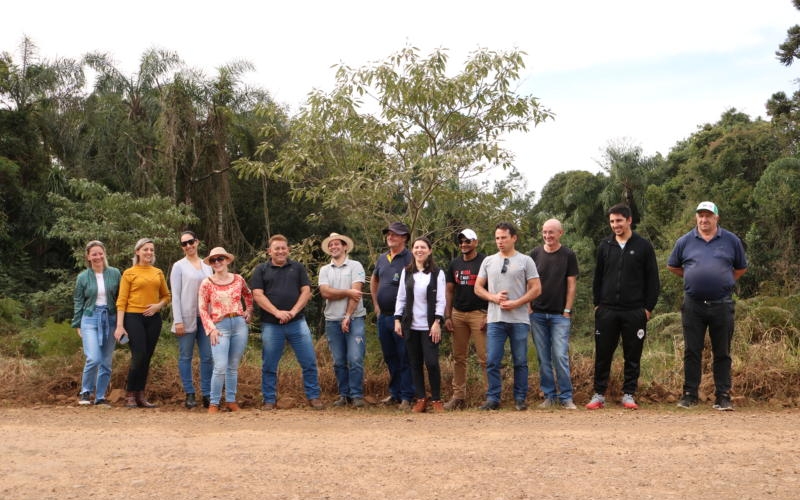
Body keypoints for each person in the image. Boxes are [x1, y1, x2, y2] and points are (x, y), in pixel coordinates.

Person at [667, 201, 747, 411]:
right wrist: (694, 275)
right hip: (693, 305)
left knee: (722, 352)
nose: (704, 220)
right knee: (692, 350)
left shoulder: (731, 240)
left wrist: (723, 280)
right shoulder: (685, 241)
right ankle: (690, 394)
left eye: (708, 216)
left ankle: (722, 396)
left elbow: (740, 268)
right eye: (700, 215)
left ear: (716, 218)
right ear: (696, 218)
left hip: (721, 304)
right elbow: (673, 265)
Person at [587, 204, 660, 410]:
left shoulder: (643, 246)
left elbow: (652, 280)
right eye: (612, 221)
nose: (615, 225)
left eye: (619, 220)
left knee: (632, 354)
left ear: (629, 220)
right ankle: (599, 394)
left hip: (634, 310)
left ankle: (629, 394)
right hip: (607, 310)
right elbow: (598, 278)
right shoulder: (604, 246)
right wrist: (597, 305)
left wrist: (647, 308)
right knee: (603, 354)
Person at [251, 234, 323, 410]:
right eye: (277, 248)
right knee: (269, 364)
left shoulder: (297, 268)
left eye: (283, 248)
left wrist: (293, 312)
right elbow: (257, 295)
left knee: (309, 361)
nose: (281, 251)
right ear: (270, 251)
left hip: (297, 322)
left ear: (288, 249)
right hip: (271, 324)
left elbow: (306, 291)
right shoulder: (261, 270)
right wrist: (277, 312)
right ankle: (269, 399)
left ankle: (313, 397)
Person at [474, 222, 541, 411]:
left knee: (520, 361)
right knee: (493, 360)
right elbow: (477, 287)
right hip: (495, 319)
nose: (500, 241)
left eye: (504, 237)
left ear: (514, 238)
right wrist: (493, 297)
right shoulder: (488, 261)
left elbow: (536, 288)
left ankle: (520, 398)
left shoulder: (526, 260)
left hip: (519, 319)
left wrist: (517, 302)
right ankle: (493, 398)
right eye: (497, 238)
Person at [114, 238, 171, 408]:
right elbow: (121, 300)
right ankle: (130, 394)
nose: (149, 252)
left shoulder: (158, 272)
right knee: (138, 356)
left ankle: (140, 395)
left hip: (153, 319)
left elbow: (166, 296)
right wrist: (119, 325)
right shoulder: (129, 273)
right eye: (145, 249)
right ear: (137, 252)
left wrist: (157, 306)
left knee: (147, 357)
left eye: (151, 250)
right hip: (133, 318)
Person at [530, 219, 579, 410]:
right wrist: (528, 307)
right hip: (538, 315)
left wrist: (567, 310)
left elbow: (571, 284)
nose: (547, 236)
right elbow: (528, 282)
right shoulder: (534, 254)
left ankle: (566, 397)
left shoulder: (568, 255)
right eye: (544, 232)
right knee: (543, 358)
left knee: (560, 356)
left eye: (551, 232)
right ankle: (549, 396)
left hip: (560, 315)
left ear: (560, 233)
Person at [394, 237, 447, 413]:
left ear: (429, 250)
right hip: (411, 325)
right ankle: (421, 399)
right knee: (414, 363)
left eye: (423, 247)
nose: (419, 250)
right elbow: (401, 297)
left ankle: (437, 399)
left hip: (430, 326)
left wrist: (437, 322)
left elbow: (441, 299)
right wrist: (397, 319)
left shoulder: (437, 273)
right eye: (416, 247)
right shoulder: (406, 272)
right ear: (412, 250)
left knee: (431, 362)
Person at [198, 247, 254, 414]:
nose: (217, 262)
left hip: (238, 324)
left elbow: (248, 295)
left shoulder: (238, 279)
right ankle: (214, 403)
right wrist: (211, 329)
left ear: (227, 260)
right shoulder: (207, 283)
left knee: (233, 365)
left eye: (220, 259)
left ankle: (231, 400)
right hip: (219, 326)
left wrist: (249, 311)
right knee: (220, 365)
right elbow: (202, 308)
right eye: (213, 260)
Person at [318, 233, 368, 408]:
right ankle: (344, 394)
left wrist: (347, 316)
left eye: (337, 244)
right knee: (338, 360)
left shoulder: (356, 266)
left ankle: (356, 395)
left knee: (354, 358)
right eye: (330, 244)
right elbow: (325, 292)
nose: (333, 247)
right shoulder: (325, 270)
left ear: (345, 246)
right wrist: (347, 292)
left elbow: (357, 293)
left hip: (354, 318)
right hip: (332, 320)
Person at [370, 221, 415, 410]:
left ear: (404, 237)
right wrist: (376, 306)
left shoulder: (410, 258)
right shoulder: (382, 258)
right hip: (384, 317)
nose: (390, 236)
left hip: (403, 318)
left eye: (395, 234)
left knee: (405, 356)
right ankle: (395, 393)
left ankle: (407, 396)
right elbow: (374, 280)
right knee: (390, 357)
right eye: (389, 233)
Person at [71, 240, 122, 407]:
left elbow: (121, 298)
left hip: (111, 318)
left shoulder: (115, 273)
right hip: (90, 318)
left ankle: (100, 396)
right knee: (93, 357)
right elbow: (78, 301)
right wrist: (78, 323)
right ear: (88, 256)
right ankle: (86, 391)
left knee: (106, 360)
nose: (98, 256)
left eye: (100, 253)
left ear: (104, 254)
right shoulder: (82, 277)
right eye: (94, 254)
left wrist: (122, 323)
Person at [443, 228, 488, 410]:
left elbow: (491, 288)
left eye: (467, 241)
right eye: (461, 241)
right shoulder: (454, 264)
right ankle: (458, 397)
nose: (464, 244)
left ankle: (490, 396)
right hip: (458, 314)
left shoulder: (485, 262)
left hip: (479, 313)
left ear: (475, 242)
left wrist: (488, 313)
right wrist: (447, 315)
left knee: (485, 358)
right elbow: (449, 290)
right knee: (459, 358)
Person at [170, 231, 213, 409]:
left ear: (197, 242)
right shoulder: (179, 266)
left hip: (205, 318)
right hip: (186, 318)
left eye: (190, 242)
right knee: (185, 356)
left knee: (208, 357)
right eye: (184, 244)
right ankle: (189, 393)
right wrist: (177, 320)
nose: (188, 246)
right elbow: (176, 295)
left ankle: (207, 394)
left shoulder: (208, 265)